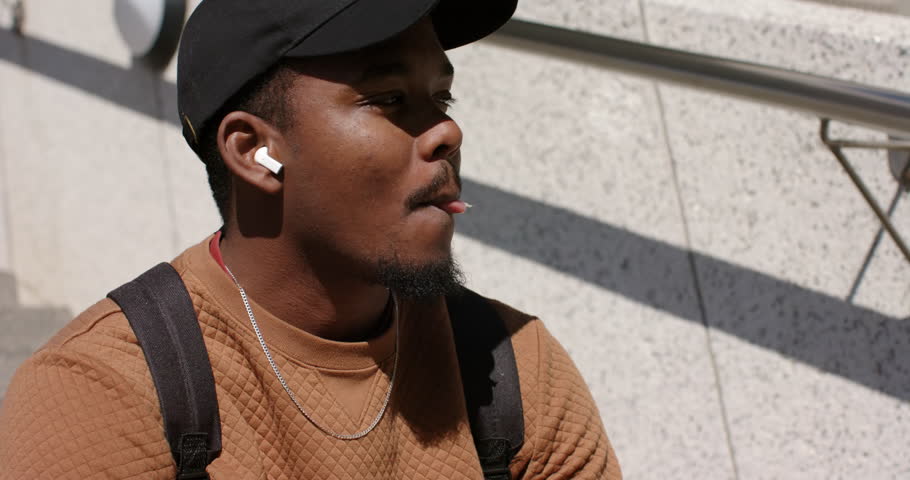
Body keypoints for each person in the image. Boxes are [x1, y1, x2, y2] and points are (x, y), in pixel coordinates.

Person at [0, 1, 622, 478]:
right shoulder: (101, 393)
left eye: (441, 96)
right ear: (257, 153)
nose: (447, 131)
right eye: (389, 98)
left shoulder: (508, 365)